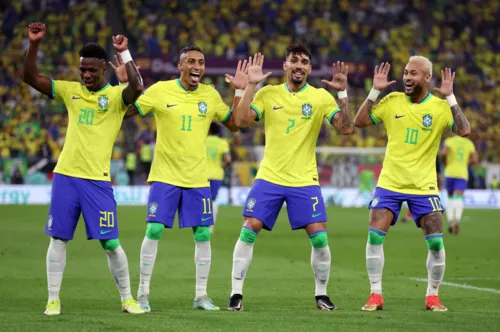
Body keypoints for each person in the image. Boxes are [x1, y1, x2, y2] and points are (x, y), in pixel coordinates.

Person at [22, 22, 145, 315]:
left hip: (97, 181)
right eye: (82, 70)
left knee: (111, 242)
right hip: (66, 177)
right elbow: (29, 77)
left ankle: (127, 298)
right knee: (59, 238)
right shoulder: (69, 91)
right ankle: (53, 299)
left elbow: (137, 87)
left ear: (104, 68)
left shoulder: (116, 97)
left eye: (91, 70)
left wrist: (125, 53)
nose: (86, 75)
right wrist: (35, 44)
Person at [227, 45, 354, 311]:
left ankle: (321, 294)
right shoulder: (268, 93)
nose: (299, 65)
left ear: (309, 68)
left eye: (304, 62)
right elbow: (239, 121)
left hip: (305, 180)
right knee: (249, 229)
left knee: (319, 238)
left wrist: (342, 93)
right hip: (270, 177)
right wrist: (248, 85)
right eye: (294, 60)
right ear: (285, 65)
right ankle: (236, 293)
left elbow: (346, 129)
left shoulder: (320, 97)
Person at [122, 45, 245, 312]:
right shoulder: (159, 91)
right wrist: (125, 85)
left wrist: (239, 90)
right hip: (165, 175)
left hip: (198, 178)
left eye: (201, 62)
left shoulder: (210, 95)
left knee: (202, 234)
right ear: (180, 66)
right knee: (154, 229)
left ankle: (201, 296)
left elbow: (234, 123)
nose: (197, 66)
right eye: (191, 61)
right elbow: (127, 111)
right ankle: (142, 293)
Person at [354, 57, 471, 312]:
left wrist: (451, 98)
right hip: (390, 182)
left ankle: (433, 296)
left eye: (414, 74)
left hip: (423, 186)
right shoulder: (392, 101)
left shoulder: (440, 107)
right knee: (375, 236)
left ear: (427, 78)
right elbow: (359, 122)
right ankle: (375, 294)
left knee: (436, 243)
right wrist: (375, 91)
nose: (407, 77)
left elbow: (464, 130)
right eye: (406, 72)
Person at [441, 135, 478, 233]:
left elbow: (444, 153)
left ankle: (450, 221)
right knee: (459, 197)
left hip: (450, 172)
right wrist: (465, 162)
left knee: (449, 197)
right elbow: (475, 160)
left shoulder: (449, 141)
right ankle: (457, 220)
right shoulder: (469, 143)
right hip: (462, 173)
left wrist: (445, 163)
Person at [401, 155, 444, 223]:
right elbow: (438, 172)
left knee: (417, 198)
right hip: (428, 182)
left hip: (425, 181)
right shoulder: (433, 155)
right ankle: (412, 216)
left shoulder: (429, 155)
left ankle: (412, 216)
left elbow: (437, 171)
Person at [206, 122, 231, 233]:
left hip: (202, 174)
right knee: (214, 200)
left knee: (202, 200)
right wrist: (221, 166)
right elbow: (228, 159)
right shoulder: (222, 143)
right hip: (216, 174)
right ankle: (211, 227)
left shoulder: (202, 141)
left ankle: (201, 223)